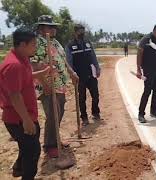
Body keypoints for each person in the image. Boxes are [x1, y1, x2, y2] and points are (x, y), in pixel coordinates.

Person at [0, 28, 50, 180]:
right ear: (22, 44)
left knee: (29, 146)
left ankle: (18, 168)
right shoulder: (13, 65)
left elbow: (25, 77)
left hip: (26, 114)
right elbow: (15, 95)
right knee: (33, 152)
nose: (36, 47)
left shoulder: (23, 59)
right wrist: (27, 121)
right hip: (18, 118)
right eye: (33, 44)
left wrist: (40, 75)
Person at [31, 15, 79, 158]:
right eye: (50, 26)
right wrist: (45, 84)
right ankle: (50, 145)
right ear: (41, 28)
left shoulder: (55, 42)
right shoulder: (38, 43)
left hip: (60, 85)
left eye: (54, 26)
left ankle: (55, 139)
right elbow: (33, 65)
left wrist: (71, 72)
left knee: (59, 112)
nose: (54, 29)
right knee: (52, 114)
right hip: (48, 86)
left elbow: (62, 60)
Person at [66, 24, 101, 126]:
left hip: (91, 74)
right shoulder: (70, 46)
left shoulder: (88, 43)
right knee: (82, 98)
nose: (82, 33)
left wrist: (97, 68)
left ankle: (95, 112)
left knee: (95, 95)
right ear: (75, 32)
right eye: (80, 31)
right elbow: (69, 62)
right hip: (79, 76)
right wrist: (72, 75)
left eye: (83, 31)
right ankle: (84, 117)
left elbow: (93, 56)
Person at [136, 23, 156, 123]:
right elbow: (139, 53)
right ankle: (141, 114)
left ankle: (153, 111)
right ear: (155, 30)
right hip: (148, 69)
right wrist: (138, 69)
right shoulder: (146, 39)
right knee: (147, 91)